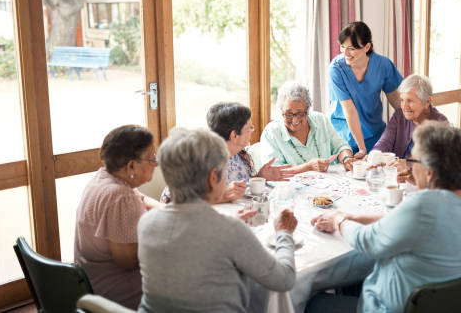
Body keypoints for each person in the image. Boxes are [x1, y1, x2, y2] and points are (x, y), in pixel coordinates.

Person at [308, 121, 461, 313]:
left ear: (429, 171)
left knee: (311, 301)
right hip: (447, 303)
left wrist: (338, 220)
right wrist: (354, 216)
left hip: (387, 307)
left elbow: (367, 241)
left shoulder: (423, 205)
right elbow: (404, 220)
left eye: (413, 160)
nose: (409, 167)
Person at [138, 127, 297, 313]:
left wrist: (226, 224)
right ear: (213, 177)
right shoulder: (229, 231)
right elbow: (284, 280)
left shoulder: (147, 223)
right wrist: (284, 232)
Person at [74, 125, 161, 309]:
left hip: (91, 280)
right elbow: (127, 261)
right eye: (152, 157)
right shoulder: (121, 196)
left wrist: (167, 210)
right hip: (114, 293)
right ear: (131, 165)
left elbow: (141, 198)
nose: (156, 163)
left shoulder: (103, 178)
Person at [161, 102, 295, 203]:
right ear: (234, 135)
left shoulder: (241, 156)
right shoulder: (200, 158)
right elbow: (172, 203)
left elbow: (242, 189)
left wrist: (259, 177)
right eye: (249, 128)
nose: (252, 131)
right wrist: (221, 196)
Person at [328, 21, 403, 156]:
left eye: (351, 48)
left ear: (367, 47)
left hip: (376, 134)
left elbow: (396, 100)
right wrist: (362, 149)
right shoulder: (336, 69)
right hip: (344, 137)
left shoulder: (383, 65)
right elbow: (349, 111)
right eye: (342, 47)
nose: (346, 53)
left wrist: (417, 121)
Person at [261, 81, 354, 173]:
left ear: (308, 111)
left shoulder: (320, 120)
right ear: (281, 110)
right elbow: (273, 172)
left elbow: (341, 146)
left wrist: (347, 158)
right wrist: (308, 167)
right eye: (288, 114)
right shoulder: (271, 133)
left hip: (328, 183)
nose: (295, 120)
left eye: (300, 114)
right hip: (293, 187)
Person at [372, 74, 447, 183]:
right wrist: (375, 155)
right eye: (402, 100)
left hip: (422, 182)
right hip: (395, 179)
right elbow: (385, 141)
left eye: (410, 101)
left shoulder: (440, 124)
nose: (404, 106)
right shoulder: (399, 116)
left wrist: (407, 164)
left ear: (427, 102)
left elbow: (435, 163)